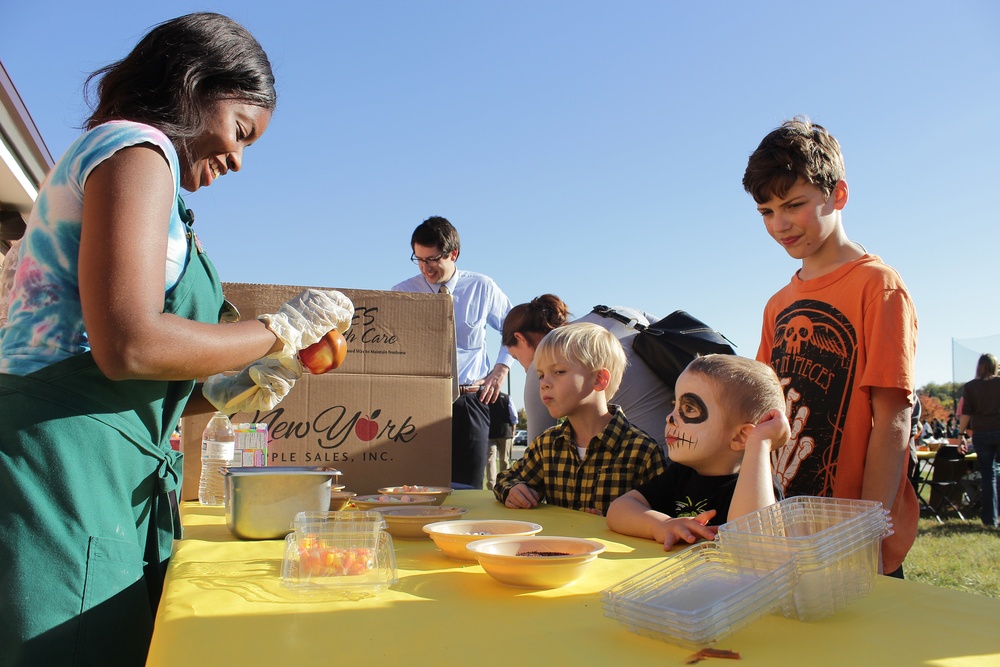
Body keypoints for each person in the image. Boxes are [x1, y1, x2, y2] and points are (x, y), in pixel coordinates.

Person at [0, 14, 354, 666]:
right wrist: (277, 330)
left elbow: (140, 374)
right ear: (195, 86)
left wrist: (230, 383)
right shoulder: (136, 149)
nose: (239, 159)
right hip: (65, 462)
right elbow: (129, 345)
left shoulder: (166, 204)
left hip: (110, 459)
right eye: (240, 131)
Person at [743, 116, 919, 577]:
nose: (779, 224)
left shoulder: (878, 287)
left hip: (854, 541)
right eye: (765, 211)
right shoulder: (776, 305)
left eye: (793, 205)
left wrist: (865, 533)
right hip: (790, 532)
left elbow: (893, 417)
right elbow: (767, 415)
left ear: (838, 194)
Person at [606, 355, 789, 549]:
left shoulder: (758, 486)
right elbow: (618, 510)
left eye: (689, 408)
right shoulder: (680, 474)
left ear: (740, 437)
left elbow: (751, 543)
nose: (670, 418)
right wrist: (661, 525)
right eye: (674, 406)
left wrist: (759, 442)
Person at [493, 322, 667, 516]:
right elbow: (506, 479)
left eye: (558, 372)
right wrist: (513, 490)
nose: (544, 384)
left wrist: (621, 522)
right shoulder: (547, 445)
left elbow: (662, 517)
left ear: (599, 379)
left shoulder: (642, 451)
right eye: (541, 375)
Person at [392, 216, 514, 488]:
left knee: (467, 490)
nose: (426, 268)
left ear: (453, 254)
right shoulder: (401, 294)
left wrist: (501, 369)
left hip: (470, 401)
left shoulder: (482, 287)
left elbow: (515, 328)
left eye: (432, 259)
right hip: (419, 404)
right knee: (418, 488)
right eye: (419, 259)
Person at [501, 294, 674, 453]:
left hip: (638, 469)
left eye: (516, 357)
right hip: (687, 451)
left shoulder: (537, 373)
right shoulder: (620, 313)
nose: (526, 369)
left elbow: (535, 456)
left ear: (521, 339)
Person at [958, 353, 1000, 527]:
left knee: (988, 477)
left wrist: (961, 435)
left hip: (981, 433)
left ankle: (990, 520)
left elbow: (966, 413)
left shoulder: (971, 387)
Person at [486, 392, 518, 490]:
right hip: (505, 433)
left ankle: (491, 485)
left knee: (490, 460)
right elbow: (514, 417)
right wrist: (513, 432)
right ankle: (504, 484)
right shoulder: (506, 398)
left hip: (490, 433)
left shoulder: (485, 397)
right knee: (504, 460)